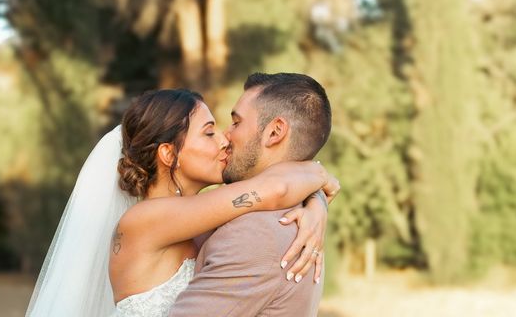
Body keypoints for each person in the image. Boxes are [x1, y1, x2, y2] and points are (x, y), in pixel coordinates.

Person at [25, 86, 338, 317]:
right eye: (209, 132)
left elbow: (273, 191)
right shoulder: (144, 221)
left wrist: (315, 203)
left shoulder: (195, 218)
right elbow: (274, 190)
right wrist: (319, 182)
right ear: (169, 154)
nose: (225, 140)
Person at [169, 72, 334, 316]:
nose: (226, 135)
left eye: (236, 122)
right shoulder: (290, 214)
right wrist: (318, 195)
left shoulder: (256, 233)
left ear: (275, 132)